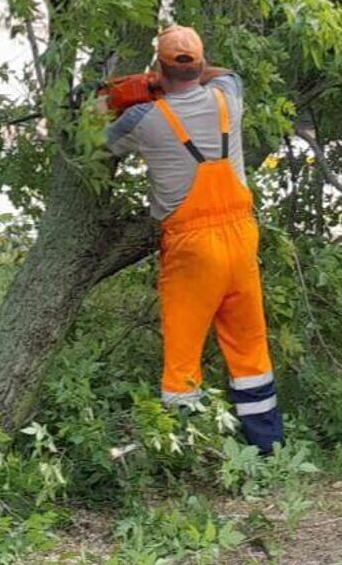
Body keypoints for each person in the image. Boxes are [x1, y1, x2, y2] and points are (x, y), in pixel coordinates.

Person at [105, 25, 283, 453]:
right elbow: (229, 73)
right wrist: (178, 77)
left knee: (182, 358)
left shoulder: (142, 120)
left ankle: (184, 450)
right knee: (250, 350)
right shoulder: (229, 98)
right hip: (241, 241)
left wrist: (139, 89)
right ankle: (268, 450)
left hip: (191, 250)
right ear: (202, 65)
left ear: (159, 67)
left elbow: (96, 144)